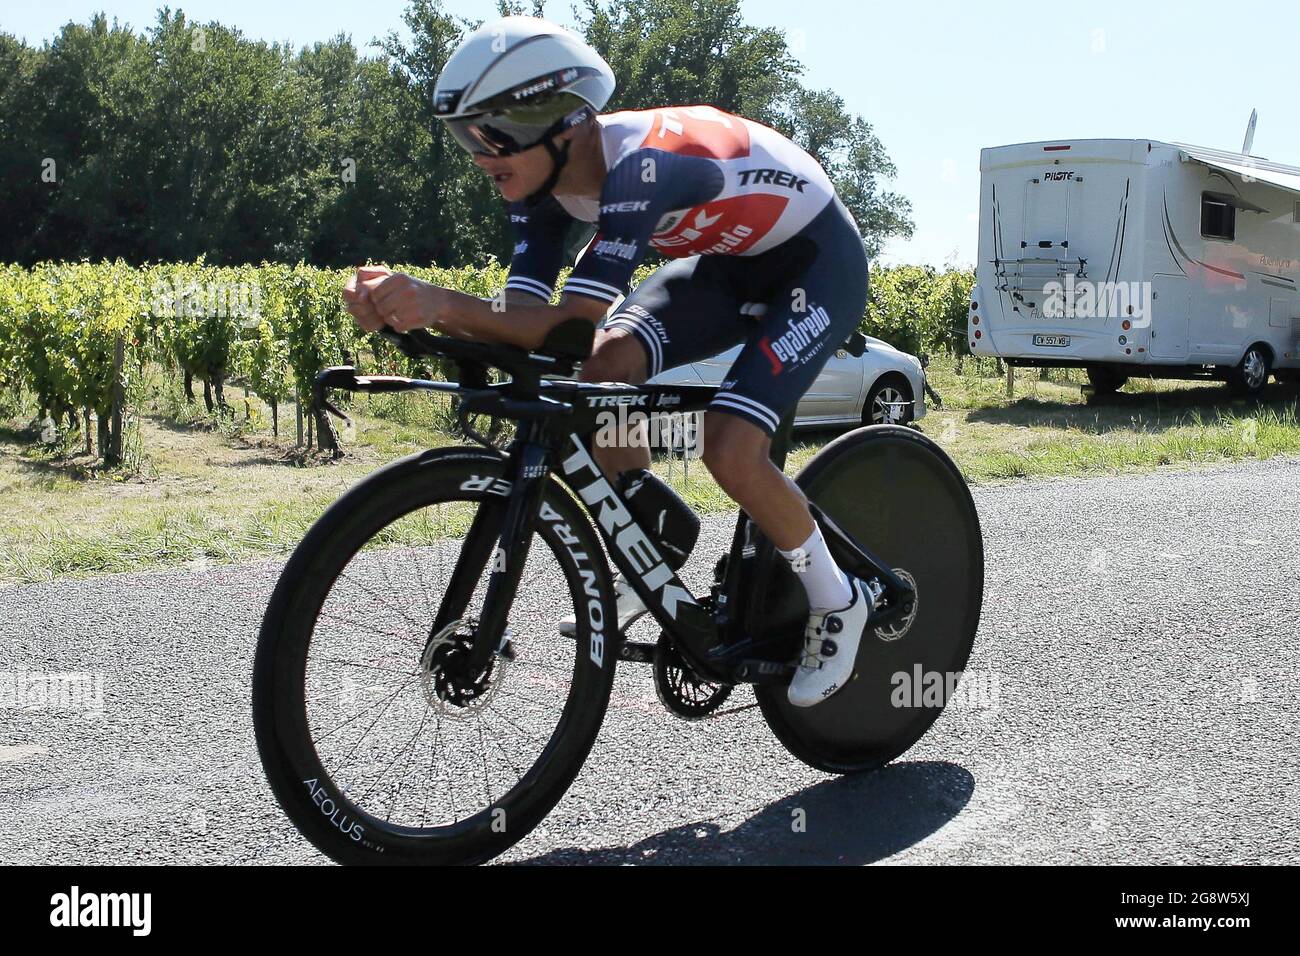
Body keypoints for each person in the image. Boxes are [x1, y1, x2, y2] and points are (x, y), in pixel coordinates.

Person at [342, 16, 872, 707]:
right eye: (466, 137)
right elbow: (527, 334)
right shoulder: (539, 191)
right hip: (726, 268)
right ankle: (655, 532)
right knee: (599, 374)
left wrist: (440, 302)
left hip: (816, 262)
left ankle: (839, 599)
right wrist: (402, 313)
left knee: (730, 447)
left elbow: (565, 323)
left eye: (494, 133)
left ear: (562, 122)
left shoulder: (640, 168)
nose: (480, 155)